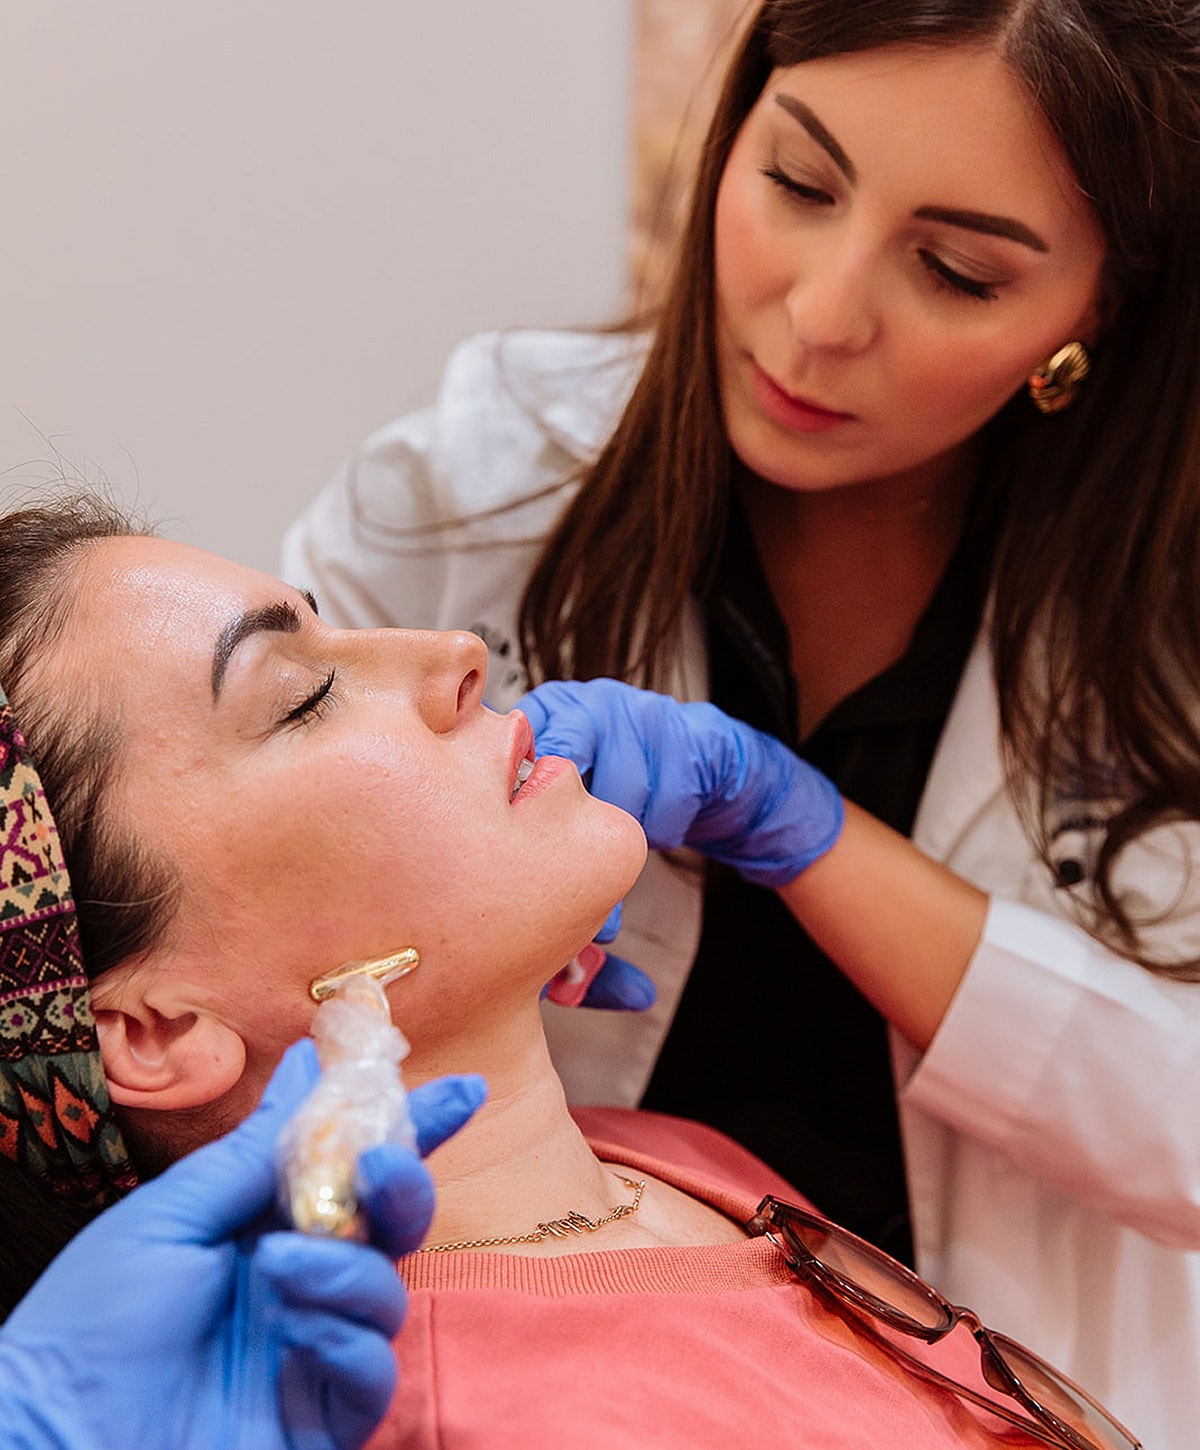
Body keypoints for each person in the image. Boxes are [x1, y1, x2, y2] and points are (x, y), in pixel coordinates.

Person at [279, 2, 1200, 1444]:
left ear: (1097, 309)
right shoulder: (472, 483)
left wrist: (799, 827)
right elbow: (255, 900)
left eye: (956, 272)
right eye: (799, 183)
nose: (822, 314)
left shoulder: (1166, 618)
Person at [0, 496, 1137, 1448]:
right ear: (156, 1029)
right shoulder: (468, 1416)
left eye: (332, 630)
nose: (457, 653)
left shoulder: (666, 1163)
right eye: (302, 695)